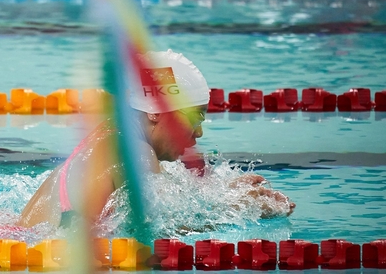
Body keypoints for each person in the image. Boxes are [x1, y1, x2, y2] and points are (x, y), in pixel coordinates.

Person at [18, 50, 294, 228]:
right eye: (195, 117)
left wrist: (225, 192)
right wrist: (244, 207)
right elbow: (160, 224)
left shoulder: (110, 135)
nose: (198, 132)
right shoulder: (134, 151)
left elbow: (165, 203)